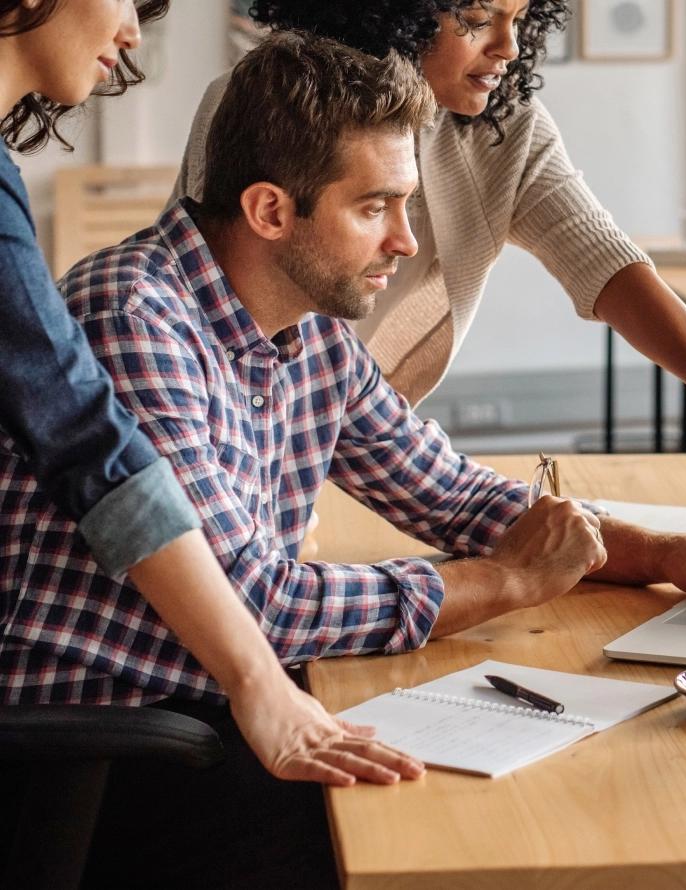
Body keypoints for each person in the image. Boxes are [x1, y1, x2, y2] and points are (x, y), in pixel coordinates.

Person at [4, 32, 686, 886]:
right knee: (479, 835)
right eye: (376, 208)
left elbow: (447, 493)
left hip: (214, 713)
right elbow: (259, 606)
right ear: (272, 212)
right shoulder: (136, 316)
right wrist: (501, 585)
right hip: (105, 756)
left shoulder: (306, 326)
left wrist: (651, 552)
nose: (405, 241)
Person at [174, 0, 686, 506]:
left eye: (520, 18)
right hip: (238, 447)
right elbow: (217, 322)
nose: (508, 48)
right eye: (478, 18)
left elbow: (602, 257)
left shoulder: (504, 125)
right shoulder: (269, 107)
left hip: (372, 444)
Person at [0, 0, 419, 790]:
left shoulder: (312, 328)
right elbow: (93, 448)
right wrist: (256, 678)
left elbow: (93, 444)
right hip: (90, 750)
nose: (131, 32)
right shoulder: (133, 307)